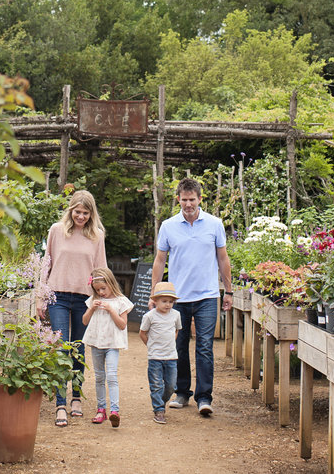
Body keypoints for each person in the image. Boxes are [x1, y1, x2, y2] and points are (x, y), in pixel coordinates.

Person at [150, 177, 233, 416]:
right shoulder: (168, 226)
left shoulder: (214, 224)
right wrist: (156, 293)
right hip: (177, 297)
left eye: (192, 199)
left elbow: (223, 258)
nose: (188, 204)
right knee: (179, 345)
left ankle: (204, 397)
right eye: (184, 200)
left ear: (200, 199)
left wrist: (228, 291)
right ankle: (182, 392)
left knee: (205, 347)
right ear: (179, 199)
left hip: (207, 295)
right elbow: (159, 260)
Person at [37, 189, 107, 427]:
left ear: (91, 213)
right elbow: (46, 264)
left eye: (86, 213)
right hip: (57, 295)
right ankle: (60, 404)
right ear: (71, 210)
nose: (81, 217)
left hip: (84, 299)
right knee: (60, 349)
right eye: (77, 212)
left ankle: (76, 397)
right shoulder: (57, 231)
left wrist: (103, 301)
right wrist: (40, 297)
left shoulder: (97, 236)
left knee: (78, 348)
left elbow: (100, 270)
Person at [82, 267, 133, 427]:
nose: (101, 292)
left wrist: (111, 310)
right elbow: (84, 321)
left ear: (111, 283)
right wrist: (92, 308)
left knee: (111, 375)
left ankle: (115, 410)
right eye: (98, 290)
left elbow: (122, 325)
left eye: (103, 288)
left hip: (112, 344)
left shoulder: (120, 301)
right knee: (99, 377)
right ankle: (101, 409)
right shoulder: (93, 301)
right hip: (97, 344)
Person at [140, 280, 182, 424]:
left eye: (171, 301)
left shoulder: (176, 315)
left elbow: (176, 330)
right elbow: (143, 333)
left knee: (171, 385)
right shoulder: (150, 316)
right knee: (156, 384)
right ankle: (158, 410)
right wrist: (150, 346)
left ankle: (161, 401)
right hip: (155, 357)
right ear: (155, 301)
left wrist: (170, 343)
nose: (168, 304)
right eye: (164, 301)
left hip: (171, 356)